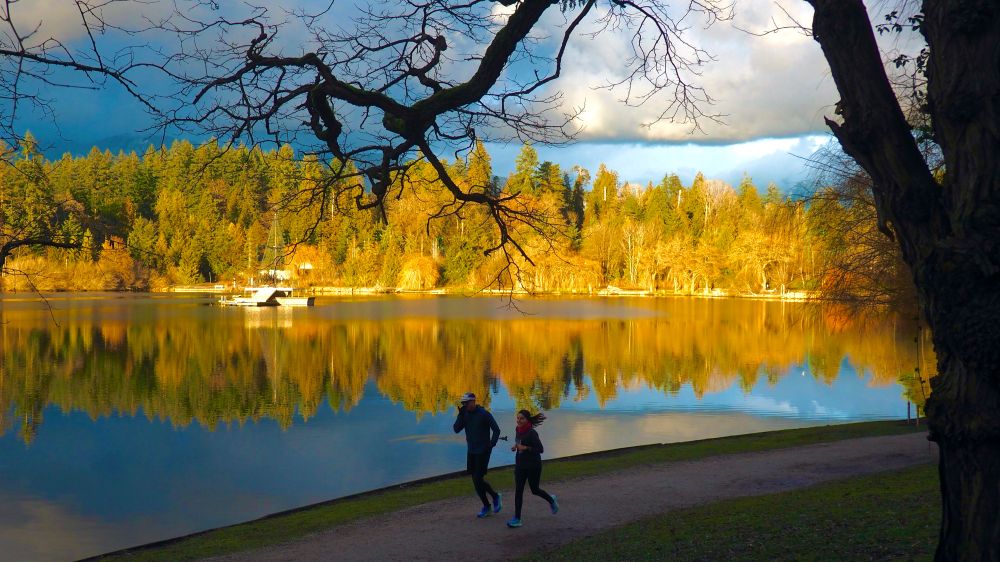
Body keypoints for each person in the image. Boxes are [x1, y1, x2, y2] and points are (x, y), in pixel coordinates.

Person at [453, 392, 502, 518]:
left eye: (466, 403)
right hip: (472, 451)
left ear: (473, 401)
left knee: (477, 479)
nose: (465, 405)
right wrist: (460, 414)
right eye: (463, 403)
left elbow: (496, 430)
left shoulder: (483, 414)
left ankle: (491, 501)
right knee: (476, 480)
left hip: (483, 451)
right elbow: (456, 429)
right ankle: (490, 501)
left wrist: (492, 444)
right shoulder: (465, 414)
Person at [506, 409, 558, 528]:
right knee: (518, 490)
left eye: (522, 418)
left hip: (533, 465)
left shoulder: (532, 433)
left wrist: (526, 448)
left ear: (527, 420)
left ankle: (551, 500)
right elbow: (519, 442)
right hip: (520, 465)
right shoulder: (517, 429)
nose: (519, 420)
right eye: (518, 418)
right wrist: (516, 446)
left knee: (534, 490)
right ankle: (517, 519)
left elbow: (540, 449)